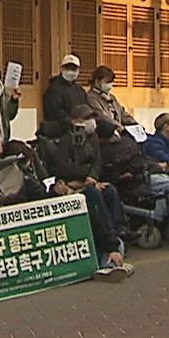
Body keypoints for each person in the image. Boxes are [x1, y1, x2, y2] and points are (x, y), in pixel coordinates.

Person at [38, 105, 132, 274]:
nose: (91, 122)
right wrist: (85, 179)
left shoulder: (93, 137)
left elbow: (97, 161)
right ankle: (109, 236)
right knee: (92, 193)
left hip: (90, 180)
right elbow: (63, 168)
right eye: (86, 119)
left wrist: (92, 177)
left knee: (110, 191)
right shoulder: (66, 141)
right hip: (71, 183)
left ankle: (119, 228)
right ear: (76, 121)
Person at [42, 54, 86, 129]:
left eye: (73, 69)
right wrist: (72, 122)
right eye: (68, 68)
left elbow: (85, 108)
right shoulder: (53, 89)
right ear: (62, 69)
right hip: (60, 129)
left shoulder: (80, 90)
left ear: (78, 71)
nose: (70, 71)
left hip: (79, 127)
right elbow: (55, 113)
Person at [85, 66, 134, 131]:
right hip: (106, 131)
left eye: (111, 82)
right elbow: (102, 116)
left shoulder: (111, 97)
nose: (110, 85)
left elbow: (121, 112)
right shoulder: (91, 97)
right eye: (107, 82)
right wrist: (120, 127)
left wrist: (134, 123)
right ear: (97, 81)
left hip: (118, 129)